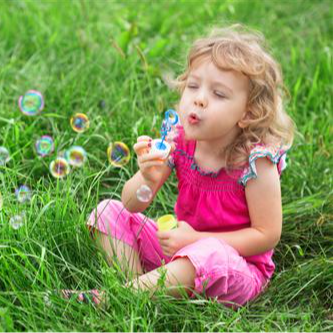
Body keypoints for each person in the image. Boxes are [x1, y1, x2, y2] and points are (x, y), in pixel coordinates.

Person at [62, 23, 295, 309]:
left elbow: (266, 235)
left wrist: (195, 239)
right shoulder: (178, 141)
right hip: (181, 251)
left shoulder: (256, 161)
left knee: (209, 253)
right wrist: (146, 177)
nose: (199, 98)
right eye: (193, 86)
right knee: (107, 213)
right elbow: (132, 204)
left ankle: (115, 299)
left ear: (247, 113)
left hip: (234, 267)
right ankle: (140, 293)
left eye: (218, 94)